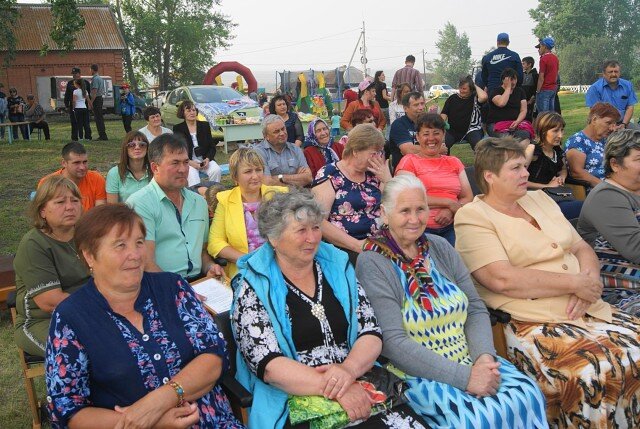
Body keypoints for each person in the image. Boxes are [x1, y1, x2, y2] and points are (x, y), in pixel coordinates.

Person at [454, 137, 640, 427]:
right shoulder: (472, 217)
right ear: (490, 176)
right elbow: (500, 278)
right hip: (531, 318)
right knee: (591, 374)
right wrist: (574, 284)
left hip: (587, 304)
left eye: (524, 167)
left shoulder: (539, 199)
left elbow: (580, 246)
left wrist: (589, 281)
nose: (526, 174)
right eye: (516, 168)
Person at [356, 175, 548, 428]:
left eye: (420, 209)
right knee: (477, 419)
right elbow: (392, 342)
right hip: (419, 374)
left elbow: (476, 308)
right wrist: (465, 377)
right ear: (385, 213)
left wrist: (483, 358)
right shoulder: (373, 262)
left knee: (527, 393)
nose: (414, 219)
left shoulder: (439, 247)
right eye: (404, 211)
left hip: (472, 358)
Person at [231, 189, 426, 429]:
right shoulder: (253, 285)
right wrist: (336, 388)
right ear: (273, 238)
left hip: (357, 377)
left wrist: (348, 370)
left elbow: (371, 331)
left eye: (315, 228)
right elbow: (269, 365)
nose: (312, 238)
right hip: (295, 395)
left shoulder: (337, 266)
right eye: (301, 230)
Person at [45, 204, 243, 429]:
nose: (136, 255)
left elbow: (214, 354)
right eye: (120, 245)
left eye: (139, 242)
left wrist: (161, 399)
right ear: (90, 255)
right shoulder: (71, 317)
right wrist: (152, 423)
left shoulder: (172, 287)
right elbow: (68, 410)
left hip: (212, 422)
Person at [127, 134, 223, 281]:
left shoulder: (199, 202)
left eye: (185, 162)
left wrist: (210, 267)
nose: (183, 169)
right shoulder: (140, 204)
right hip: (160, 285)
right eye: (175, 163)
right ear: (155, 167)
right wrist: (180, 290)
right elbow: (146, 263)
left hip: (199, 282)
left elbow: (202, 251)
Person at [13, 176, 88, 357]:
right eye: (60, 202)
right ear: (42, 211)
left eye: (75, 200)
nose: (70, 206)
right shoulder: (34, 244)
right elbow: (50, 301)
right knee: (81, 352)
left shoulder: (86, 235)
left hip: (86, 312)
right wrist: (103, 306)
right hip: (43, 321)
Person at [578, 129, 640, 314]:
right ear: (615, 164)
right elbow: (636, 249)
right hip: (621, 289)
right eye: (638, 159)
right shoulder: (607, 196)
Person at [312, 124, 391, 263]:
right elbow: (319, 221)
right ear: (355, 151)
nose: (378, 157)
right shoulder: (330, 174)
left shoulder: (376, 174)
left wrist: (388, 180)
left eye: (380, 152)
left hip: (379, 243)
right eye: (374, 153)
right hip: (345, 248)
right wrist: (358, 245)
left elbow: (396, 207)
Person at [208, 148, 287, 277]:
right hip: (244, 270)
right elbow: (215, 242)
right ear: (235, 176)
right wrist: (248, 260)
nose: (255, 176)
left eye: (258, 170)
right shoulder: (225, 200)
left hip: (281, 265)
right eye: (248, 171)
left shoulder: (279, 195)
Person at [395, 114, 472, 245]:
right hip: (420, 228)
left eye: (436, 133)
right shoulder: (409, 161)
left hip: (453, 225)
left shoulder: (454, 162)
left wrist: (450, 210)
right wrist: (449, 203)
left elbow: (467, 196)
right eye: (426, 134)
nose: (431, 138)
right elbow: (408, 198)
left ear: (443, 135)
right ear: (418, 137)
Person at [524, 112, 583, 220]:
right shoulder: (532, 150)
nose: (560, 135)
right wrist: (547, 186)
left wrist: (561, 178)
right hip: (534, 199)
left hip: (555, 196)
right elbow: (518, 181)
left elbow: (563, 169)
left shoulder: (557, 150)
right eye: (555, 131)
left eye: (561, 130)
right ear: (543, 131)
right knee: (582, 207)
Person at [564, 102, 620, 187]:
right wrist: (608, 188)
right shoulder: (577, 141)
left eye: (614, 124)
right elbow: (577, 173)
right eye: (608, 123)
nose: (612, 128)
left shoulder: (605, 140)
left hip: (613, 184)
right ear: (594, 120)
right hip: (595, 190)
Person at [39, 142, 106, 211]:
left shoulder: (96, 179)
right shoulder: (47, 182)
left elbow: (100, 212)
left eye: (85, 162)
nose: (82, 167)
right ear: (64, 163)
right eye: (76, 163)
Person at [173, 100, 222, 186]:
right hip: (188, 161)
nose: (192, 112)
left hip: (205, 159)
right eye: (188, 110)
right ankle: (197, 196)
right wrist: (190, 162)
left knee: (216, 170)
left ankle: (213, 193)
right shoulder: (178, 128)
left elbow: (212, 146)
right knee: (192, 176)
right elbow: (178, 150)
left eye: (194, 110)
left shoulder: (204, 125)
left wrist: (207, 159)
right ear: (182, 113)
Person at [254, 114, 312, 187]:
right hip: (274, 196)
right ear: (266, 136)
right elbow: (267, 183)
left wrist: (280, 177)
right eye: (276, 131)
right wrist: (297, 177)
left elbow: (308, 178)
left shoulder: (296, 149)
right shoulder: (259, 152)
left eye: (283, 129)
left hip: (300, 195)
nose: (282, 133)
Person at [440, 75, 487, 151]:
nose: (461, 90)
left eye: (464, 88)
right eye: (460, 88)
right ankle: (446, 161)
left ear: (471, 89)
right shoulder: (452, 98)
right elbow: (444, 113)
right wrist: (441, 124)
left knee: (478, 146)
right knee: (444, 145)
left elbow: (484, 97)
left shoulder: (475, 98)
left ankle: (480, 162)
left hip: (472, 129)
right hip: (453, 130)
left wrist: (473, 84)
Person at [586, 60, 638, 129]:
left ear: (619, 73)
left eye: (616, 71)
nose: (614, 74)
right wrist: (610, 125)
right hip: (602, 124)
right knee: (609, 139)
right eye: (610, 72)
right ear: (604, 74)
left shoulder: (628, 85)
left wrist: (624, 124)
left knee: (637, 135)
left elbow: (630, 107)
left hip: (623, 123)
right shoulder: (594, 88)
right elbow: (595, 113)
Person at [486, 68, 532, 145]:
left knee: (525, 136)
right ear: (503, 80)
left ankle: (518, 156)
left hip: (516, 123)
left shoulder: (520, 91)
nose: (513, 82)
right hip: (496, 124)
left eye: (514, 79)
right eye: (510, 80)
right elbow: (501, 103)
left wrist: (517, 121)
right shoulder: (495, 91)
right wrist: (508, 88)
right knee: (506, 139)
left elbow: (523, 110)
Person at [106, 131, 152, 203]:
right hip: (124, 214)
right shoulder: (114, 173)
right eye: (131, 145)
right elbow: (112, 207)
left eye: (142, 145)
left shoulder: (156, 171)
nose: (137, 147)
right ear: (125, 149)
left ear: (147, 149)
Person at [389, 91, 425, 172]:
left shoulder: (427, 123)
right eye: (416, 105)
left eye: (422, 103)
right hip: (405, 170)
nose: (421, 107)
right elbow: (409, 150)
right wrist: (436, 149)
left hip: (425, 166)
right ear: (405, 108)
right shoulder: (398, 124)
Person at [64, 67, 92, 141]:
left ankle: (88, 136)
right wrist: (66, 105)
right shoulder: (70, 83)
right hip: (73, 106)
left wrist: (89, 105)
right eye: (73, 74)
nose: (74, 75)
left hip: (83, 105)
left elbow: (89, 94)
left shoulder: (86, 83)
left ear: (79, 74)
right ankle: (75, 137)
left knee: (85, 122)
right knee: (74, 122)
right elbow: (67, 95)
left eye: (75, 73)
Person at [534, 37, 559, 114]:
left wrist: (538, 91)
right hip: (553, 88)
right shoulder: (555, 58)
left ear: (544, 46)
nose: (540, 48)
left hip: (544, 88)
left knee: (543, 114)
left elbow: (541, 77)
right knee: (551, 113)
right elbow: (556, 74)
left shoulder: (543, 59)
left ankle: (544, 126)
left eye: (540, 46)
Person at [89, 63, 108, 140]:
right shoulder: (100, 78)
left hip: (96, 99)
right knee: (99, 117)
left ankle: (102, 135)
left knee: (98, 118)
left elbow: (94, 91)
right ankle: (103, 134)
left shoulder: (95, 79)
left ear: (92, 70)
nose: (90, 71)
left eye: (90, 69)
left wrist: (91, 102)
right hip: (100, 98)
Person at [521, 57, 538, 122]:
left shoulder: (535, 75)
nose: (522, 65)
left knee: (530, 116)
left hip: (531, 101)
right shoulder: (522, 75)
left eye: (523, 64)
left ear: (529, 64)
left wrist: (532, 99)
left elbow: (537, 88)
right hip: (524, 100)